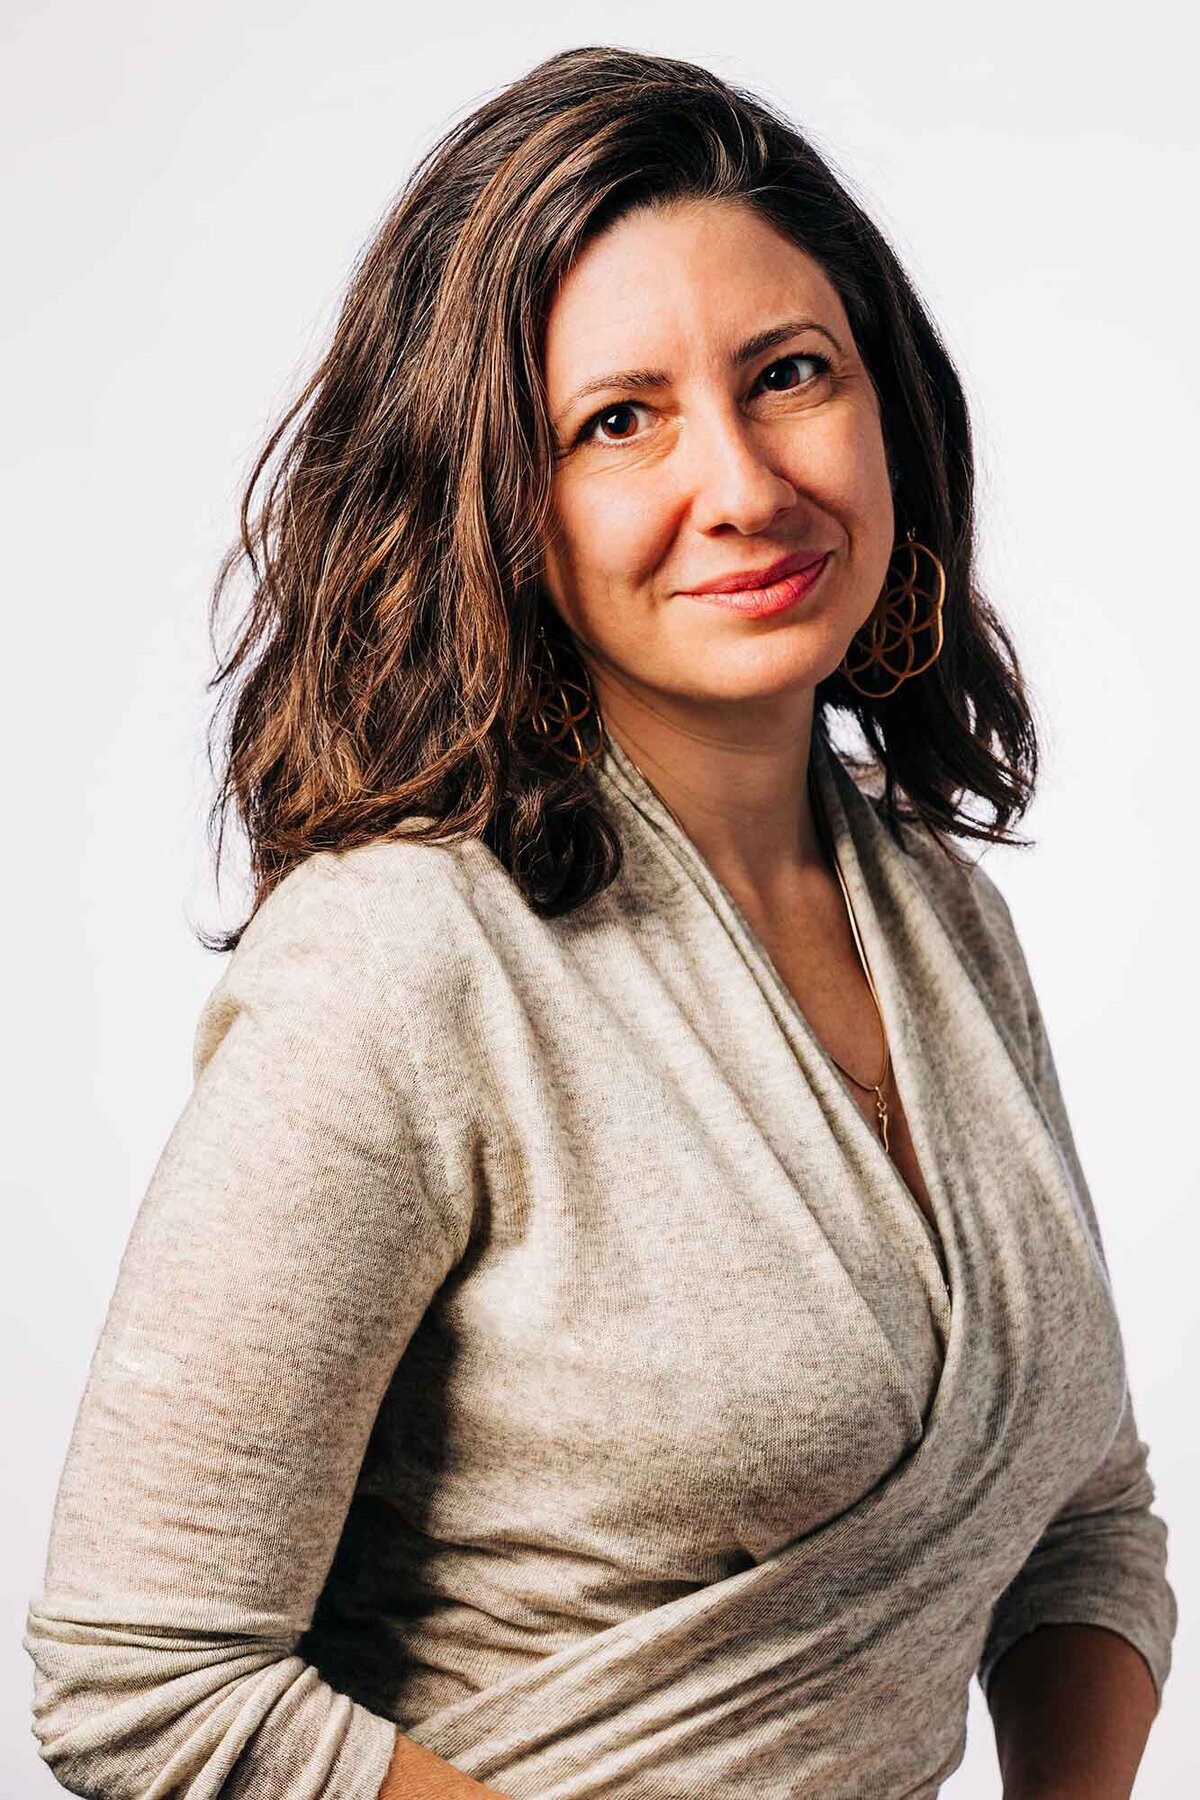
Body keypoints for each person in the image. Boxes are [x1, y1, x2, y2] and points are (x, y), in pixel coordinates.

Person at [24, 44, 1177, 1800]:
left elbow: (1081, 1513)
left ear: (893, 411)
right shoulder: (404, 957)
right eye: (618, 420)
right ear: (502, 498)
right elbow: (146, 1681)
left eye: (789, 376)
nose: (742, 484)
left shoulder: (939, 923)